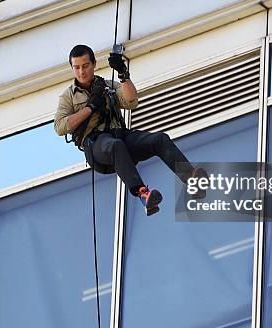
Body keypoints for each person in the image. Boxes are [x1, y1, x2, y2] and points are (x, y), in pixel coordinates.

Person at [54, 44, 206, 216]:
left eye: (85, 66)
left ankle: (192, 179)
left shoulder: (107, 86)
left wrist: (122, 73)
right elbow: (60, 127)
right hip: (97, 144)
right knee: (114, 145)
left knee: (159, 139)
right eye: (77, 67)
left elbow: (131, 101)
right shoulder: (68, 97)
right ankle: (143, 194)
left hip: (120, 135)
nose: (81, 72)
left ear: (94, 64)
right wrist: (90, 108)